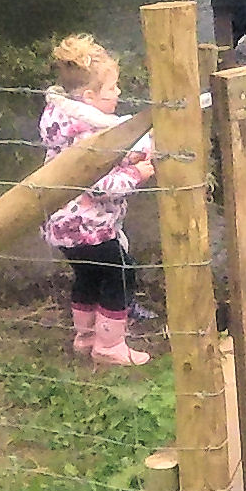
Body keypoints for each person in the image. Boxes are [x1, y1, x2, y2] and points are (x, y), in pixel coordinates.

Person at [40, 34, 156, 366]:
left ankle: (85, 337)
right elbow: (100, 185)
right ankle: (109, 345)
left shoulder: (65, 124)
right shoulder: (87, 135)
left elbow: (104, 161)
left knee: (88, 277)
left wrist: (127, 160)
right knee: (121, 272)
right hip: (87, 225)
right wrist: (138, 174)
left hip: (63, 225)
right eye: (112, 89)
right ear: (89, 96)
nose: (118, 93)